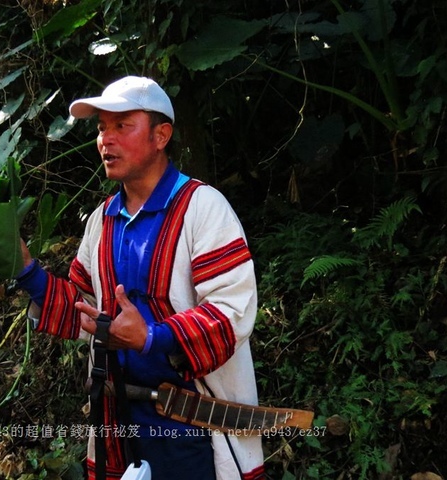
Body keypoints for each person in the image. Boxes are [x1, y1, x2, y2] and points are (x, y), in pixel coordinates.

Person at [16, 76, 265, 479]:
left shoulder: (203, 208)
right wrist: (26, 272)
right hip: (121, 419)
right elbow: (83, 306)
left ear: (161, 135)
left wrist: (152, 337)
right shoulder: (103, 219)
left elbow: (231, 311)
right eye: (101, 128)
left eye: (121, 126)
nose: (106, 140)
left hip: (191, 423)